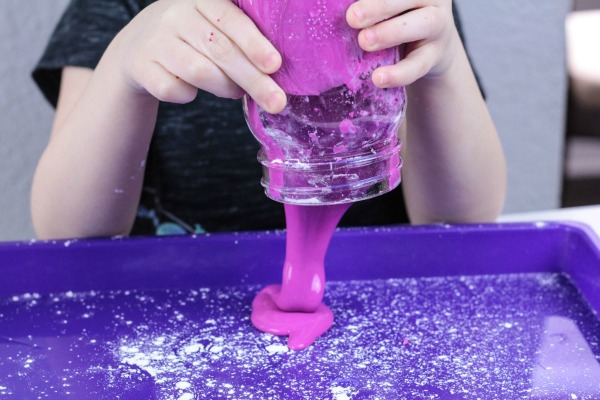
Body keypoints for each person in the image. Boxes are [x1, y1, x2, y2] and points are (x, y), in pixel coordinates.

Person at [31, 0, 506, 239]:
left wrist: (442, 66)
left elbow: (462, 223)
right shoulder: (123, 7)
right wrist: (123, 66)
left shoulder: (392, 6)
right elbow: (66, 234)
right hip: (180, 308)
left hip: (379, 303)